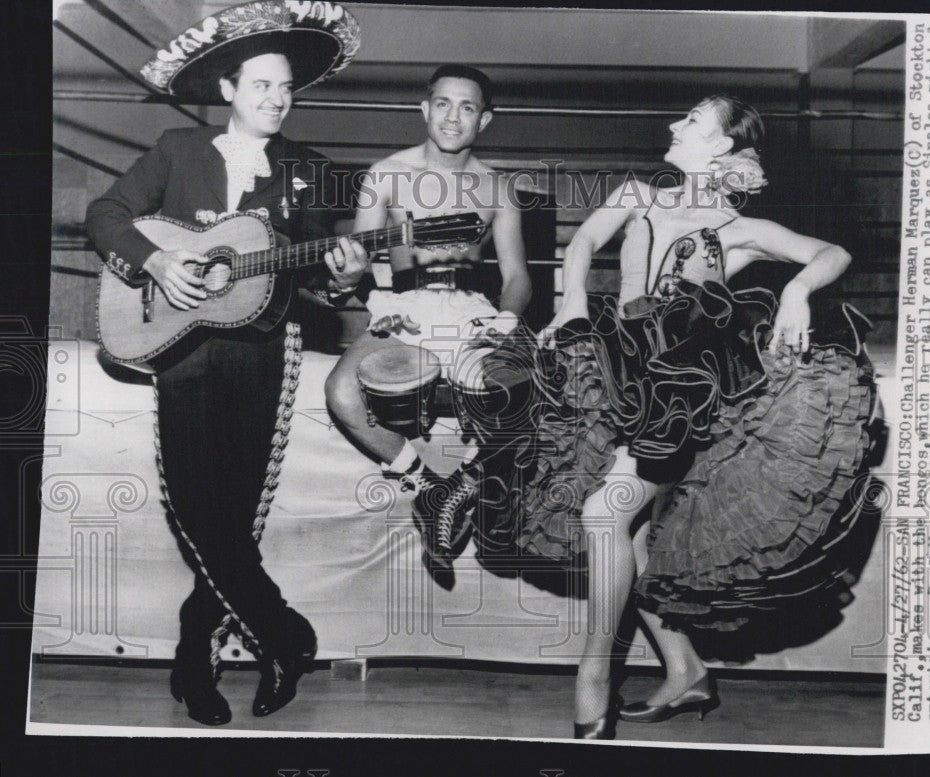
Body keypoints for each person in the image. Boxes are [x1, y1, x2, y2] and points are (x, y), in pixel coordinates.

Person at [480, 94, 876, 738]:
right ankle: (684, 670)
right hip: (612, 373)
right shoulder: (639, 192)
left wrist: (799, 291)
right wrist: (573, 301)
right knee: (627, 535)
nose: (672, 124)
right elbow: (581, 241)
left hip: (682, 396)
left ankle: (596, 675)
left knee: (604, 513)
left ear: (720, 146)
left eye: (691, 120)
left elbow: (830, 252)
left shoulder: (738, 231)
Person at [86, 3, 367, 726]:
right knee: (193, 504)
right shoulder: (177, 150)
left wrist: (343, 273)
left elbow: (321, 272)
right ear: (229, 90)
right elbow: (107, 216)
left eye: (285, 89)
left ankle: (192, 659)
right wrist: (158, 260)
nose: (276, 99)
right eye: (261, 86)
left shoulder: (314, 171)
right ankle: (282, 634)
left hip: (262, 357)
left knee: (231, 518)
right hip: (180, 351)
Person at [324, 65, 531, 581]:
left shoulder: (498, 188)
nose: (452, 116)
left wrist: (505, 319)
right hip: (403, 309)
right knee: (341, 393)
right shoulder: (385, 174)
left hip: (471, 310)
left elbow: (519, 276)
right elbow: (358, 262)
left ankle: (467, 485)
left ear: (484, 119)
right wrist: (368, 295)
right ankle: (432, 489)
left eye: (467, 107)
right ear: (424, 109)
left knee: (531, 387)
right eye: (442, 103)